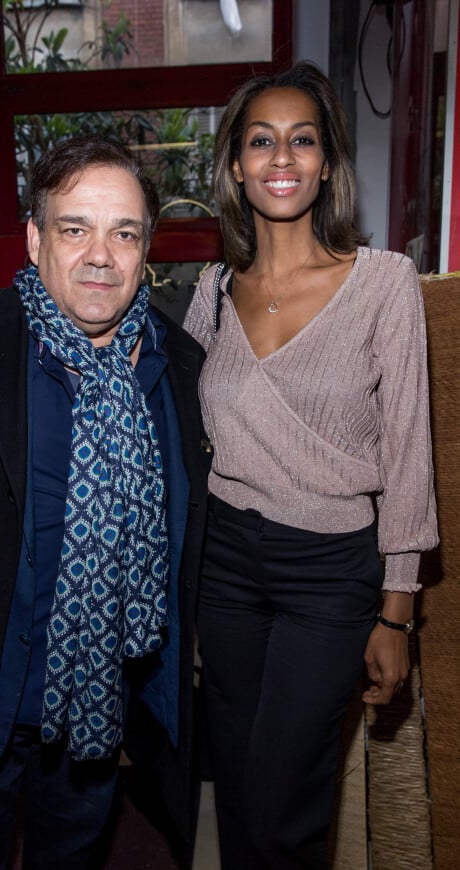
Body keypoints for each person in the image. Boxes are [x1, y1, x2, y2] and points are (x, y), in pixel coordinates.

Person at [0, 137, 210, 870]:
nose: (101, 255)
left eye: (123, 233)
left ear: (146, 249)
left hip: (99, 721)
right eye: (74, 228)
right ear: (34, 239)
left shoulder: (178, 370)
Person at [183, 61, 438, 870]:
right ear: (235, 165)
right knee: (241, 795)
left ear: (326, 162)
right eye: (262, 141)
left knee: (287, 799)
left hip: (329, 573)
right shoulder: (211, 291)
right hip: (224, 568)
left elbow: (408, 451)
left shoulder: (383, 283)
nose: (281, 158)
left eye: (302, 140)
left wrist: (397, 613)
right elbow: (187, 442)